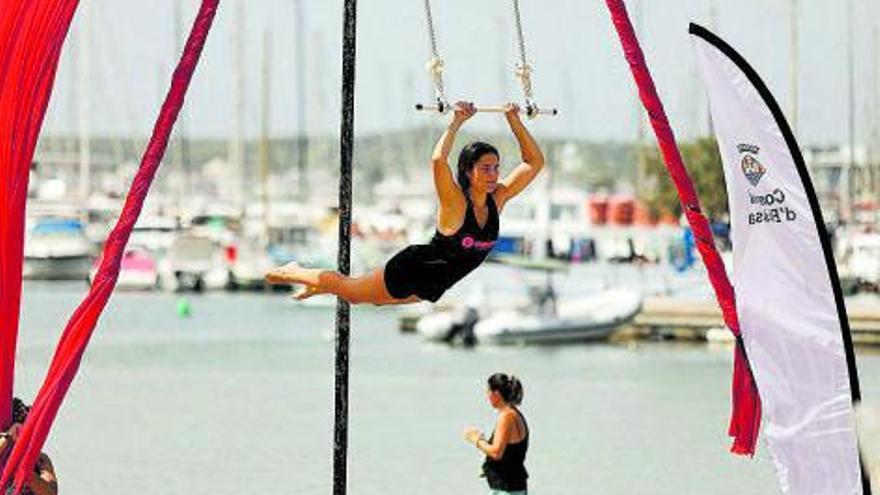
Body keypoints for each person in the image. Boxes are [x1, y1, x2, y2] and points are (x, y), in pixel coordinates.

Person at [265, 101, 545, 304]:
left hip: (435, 284)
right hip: (413, 270)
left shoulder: (498, 199)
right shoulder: (456, 204)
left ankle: (321, 287)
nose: (493, 174)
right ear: (468, 172)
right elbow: (438, 161)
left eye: (496, 167)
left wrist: (514, 122)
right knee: (351, 293)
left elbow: (534, 162)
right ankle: (293, 271)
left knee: (363, 296)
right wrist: (456, 122)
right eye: (485, 168)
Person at [464, 373, 529, 495]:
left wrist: (476, 440)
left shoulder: (507, 416)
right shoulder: (515, 414)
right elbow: (508, 454)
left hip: (506, 489)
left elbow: (496, 452)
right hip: (513, 487)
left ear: (496, 395)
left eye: (488, 392)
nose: (487, 396)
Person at [0, 398, 58, 495]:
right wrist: (8, 437)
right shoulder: (5, 440)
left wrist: (25, 473)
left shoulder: (39, 458)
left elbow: (50, 492)